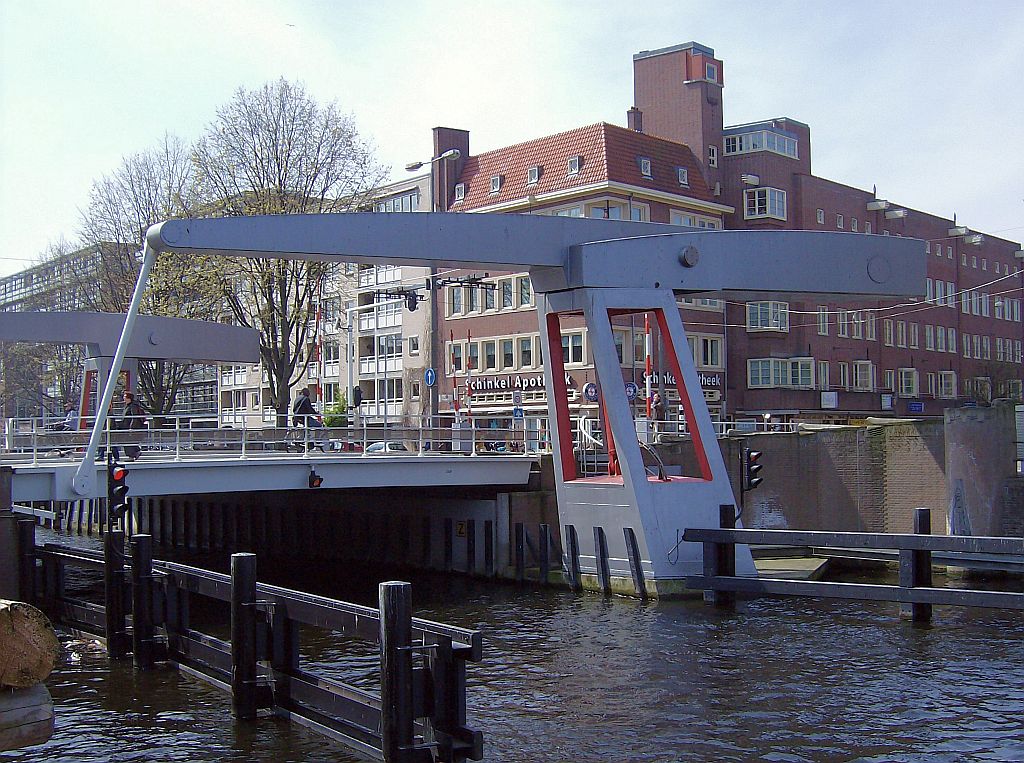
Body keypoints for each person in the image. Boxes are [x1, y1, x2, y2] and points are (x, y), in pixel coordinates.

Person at [120, 391, 146, 460]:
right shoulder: (129, 406)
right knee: (128, 441)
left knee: (127, 441)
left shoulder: (132, 406)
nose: (123, 398)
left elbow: (134, 417)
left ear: (129, 398)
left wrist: (132, 427)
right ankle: (136, 451)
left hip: (129, 427)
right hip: (126, 427)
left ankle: (132, 456)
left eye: (125, 397)